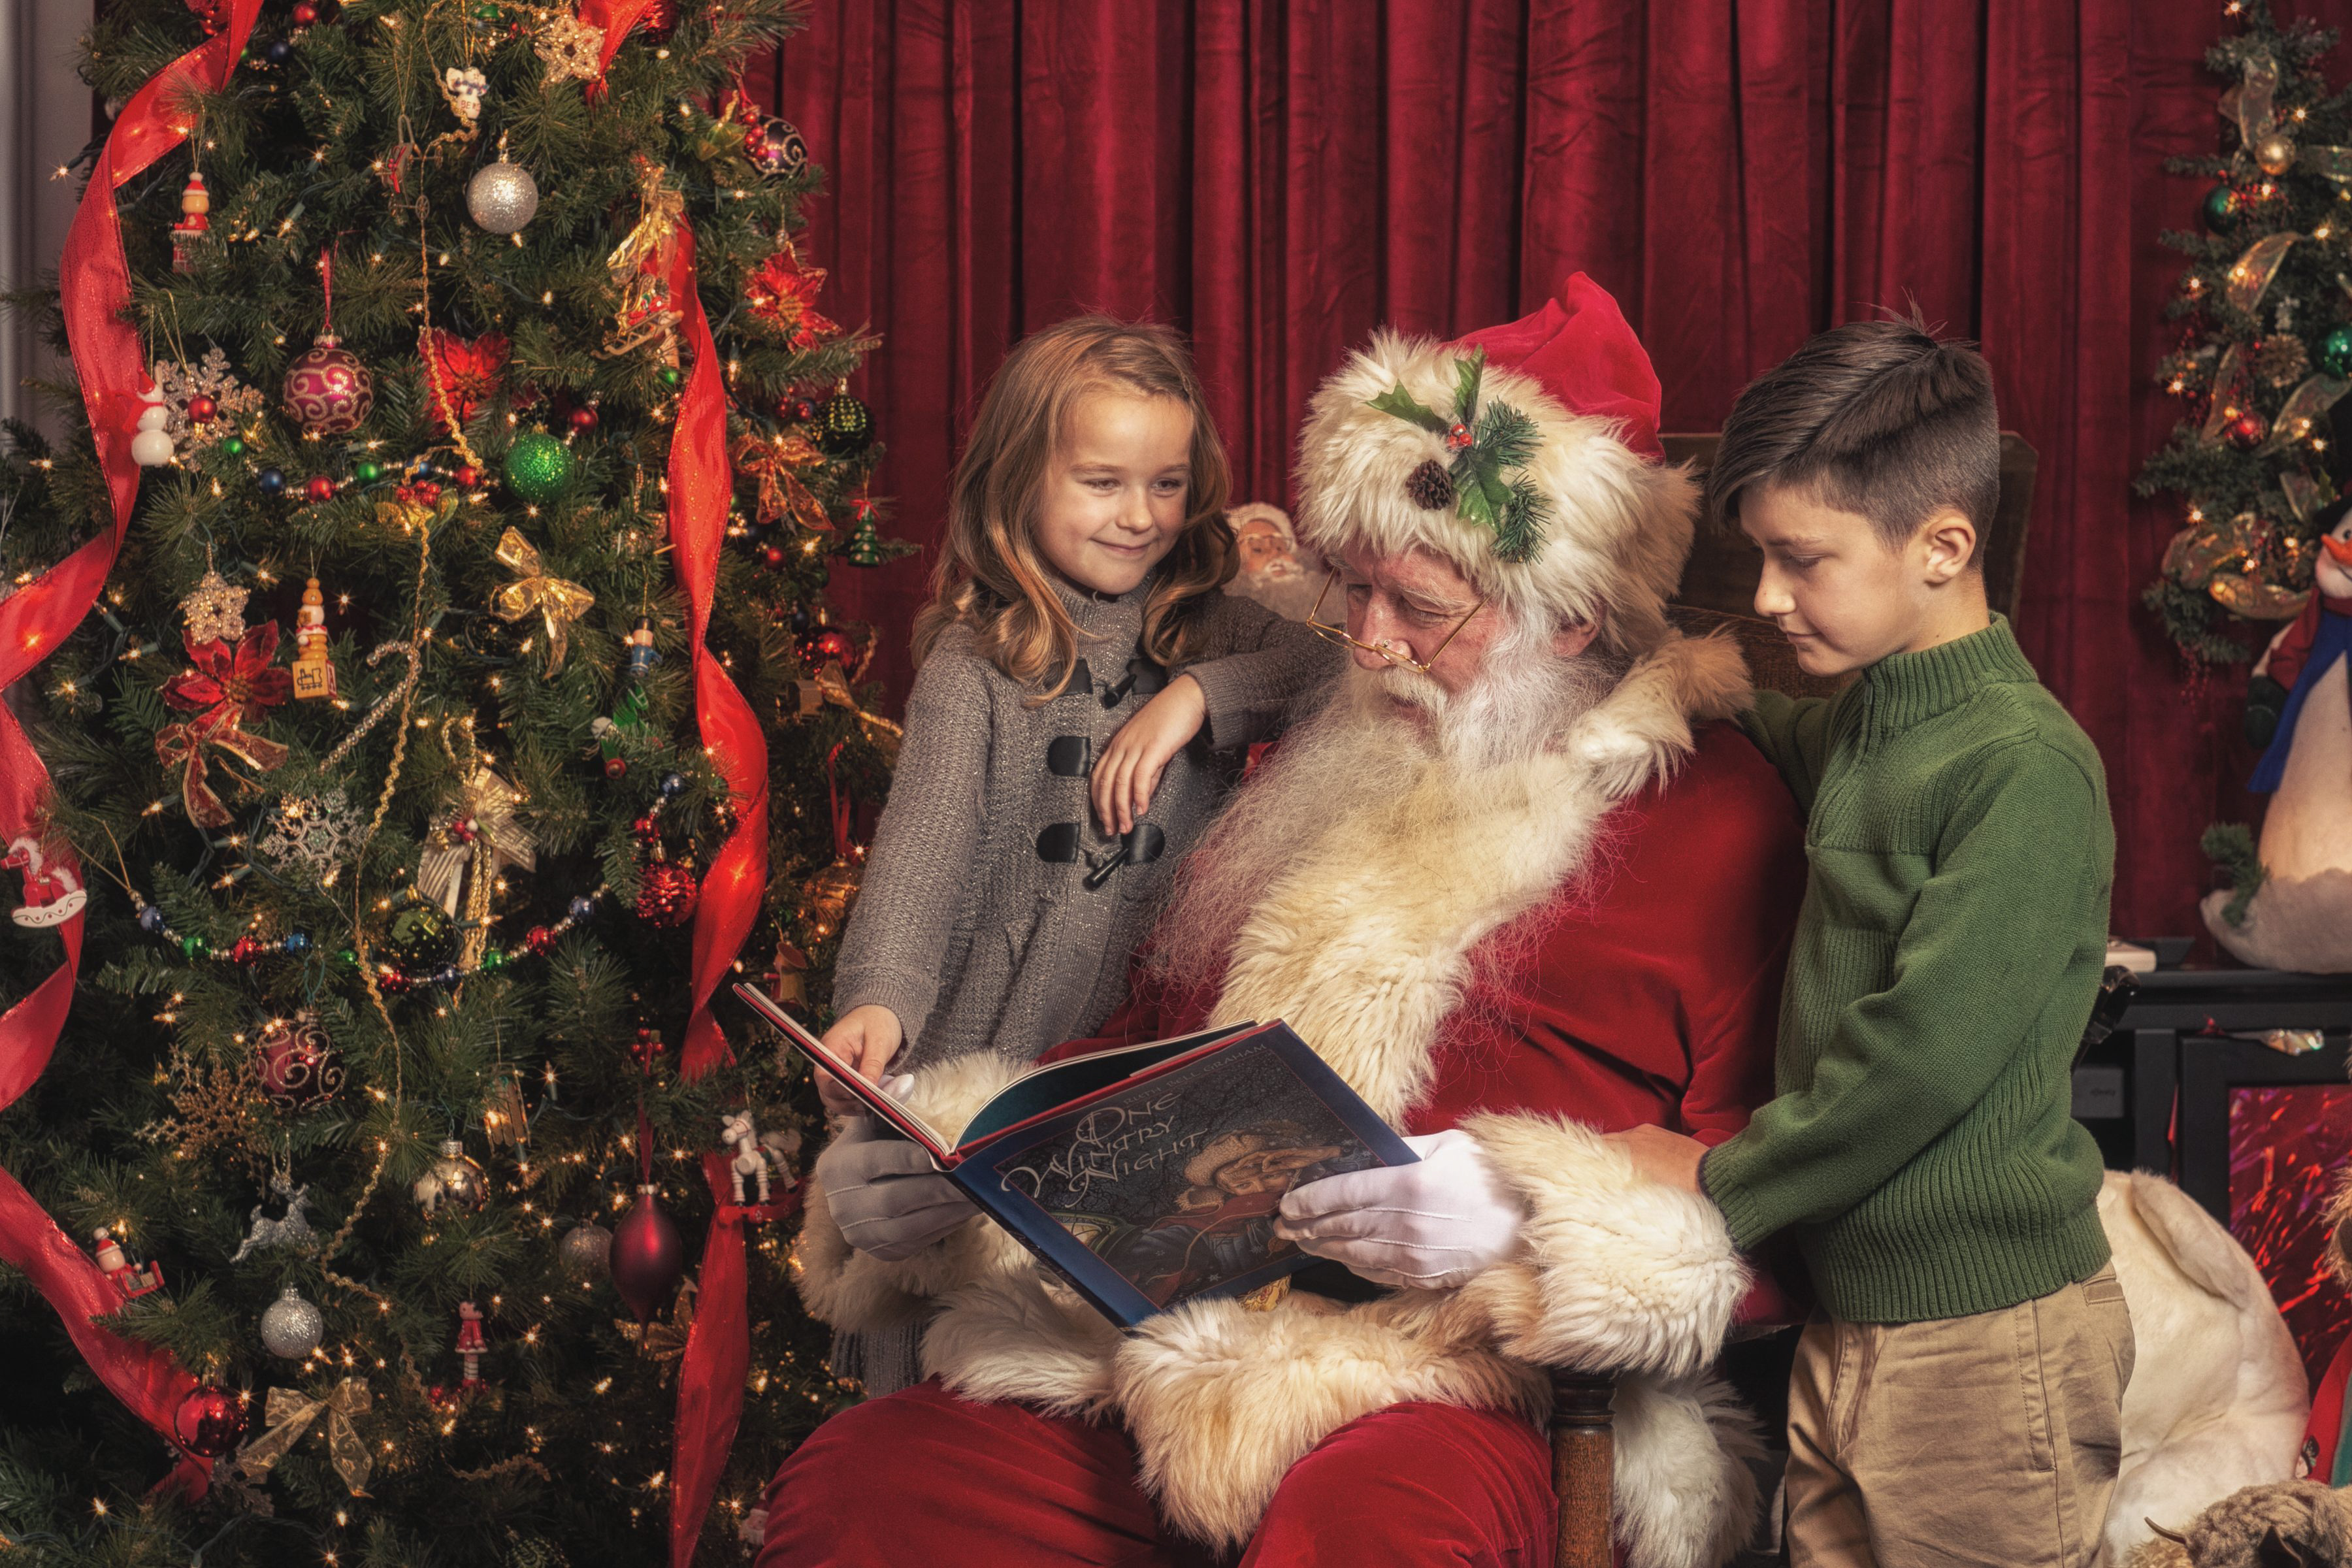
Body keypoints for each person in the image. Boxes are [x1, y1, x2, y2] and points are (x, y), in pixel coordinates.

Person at [760, 276, 1810, 1568]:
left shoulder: (1717, 818)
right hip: (1172, 1349)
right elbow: (1138, 1060)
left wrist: (1537, 1230)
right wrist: (953, 1164)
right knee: (868, 1486)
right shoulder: (1319, 763)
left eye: (1418, 609)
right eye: (1351, 588)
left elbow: (1796, 1194)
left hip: (1470, 1385)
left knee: (1360, 1536)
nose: (1363, 646)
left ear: (1571, 615)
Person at [1612, 320, 2131, 1568]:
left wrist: (1711, 1181)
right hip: (1856, 1319)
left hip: (1988, 1334)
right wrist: (1640, 672)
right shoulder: (1868, 723)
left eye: (1804, 561)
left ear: (1944, 546)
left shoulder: (2025, 766)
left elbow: (1920, 1062)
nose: (1773, 597)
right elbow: (1765, 726)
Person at [813, 316, 1337, 1390]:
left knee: (1089, 1330)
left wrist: (1197, 696)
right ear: (1020, 482)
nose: (1139, 516)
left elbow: (1325, 673)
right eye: (1102, 482)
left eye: (1166, 483)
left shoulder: (1211, 628)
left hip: (1134, 1051)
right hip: (1000, 1030)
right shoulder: (977, 669)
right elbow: (919, 872)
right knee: (943, 1315)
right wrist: (878, 1001)